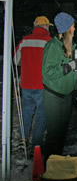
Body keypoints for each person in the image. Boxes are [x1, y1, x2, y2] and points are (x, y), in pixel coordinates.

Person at [42, 12, 77, 163]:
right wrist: (69, 66)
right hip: (53, 96)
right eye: (72, 25)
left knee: (62, 133)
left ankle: (57, 166)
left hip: (67, 96)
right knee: (54, 134)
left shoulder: (72, 46)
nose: (74, 28)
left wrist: (75, 90)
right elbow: (47, 72)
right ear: (66, 28)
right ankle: (48, 169)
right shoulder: (52, 46)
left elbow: (74, 72)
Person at [14, 16, 53, 153]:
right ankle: (36, 144)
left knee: (26, 111)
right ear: (45, 27)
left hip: (26, 83)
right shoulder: (49, 41)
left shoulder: (25, 40)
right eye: (48, 26)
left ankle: (23, 139)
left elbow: (15, 60)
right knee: (42, 114)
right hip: (42, 84)